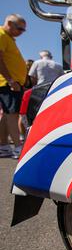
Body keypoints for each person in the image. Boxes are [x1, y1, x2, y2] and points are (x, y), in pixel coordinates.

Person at [0, 14, 27, 159]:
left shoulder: (8, 38)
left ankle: (4, 146)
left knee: (6, 115)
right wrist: (10, 80)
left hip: (11, 83)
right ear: (9, 23)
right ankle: (18, 147)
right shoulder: (2, 34)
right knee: (12, 115)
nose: (21, 32)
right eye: (20, 28)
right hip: (8, 83)